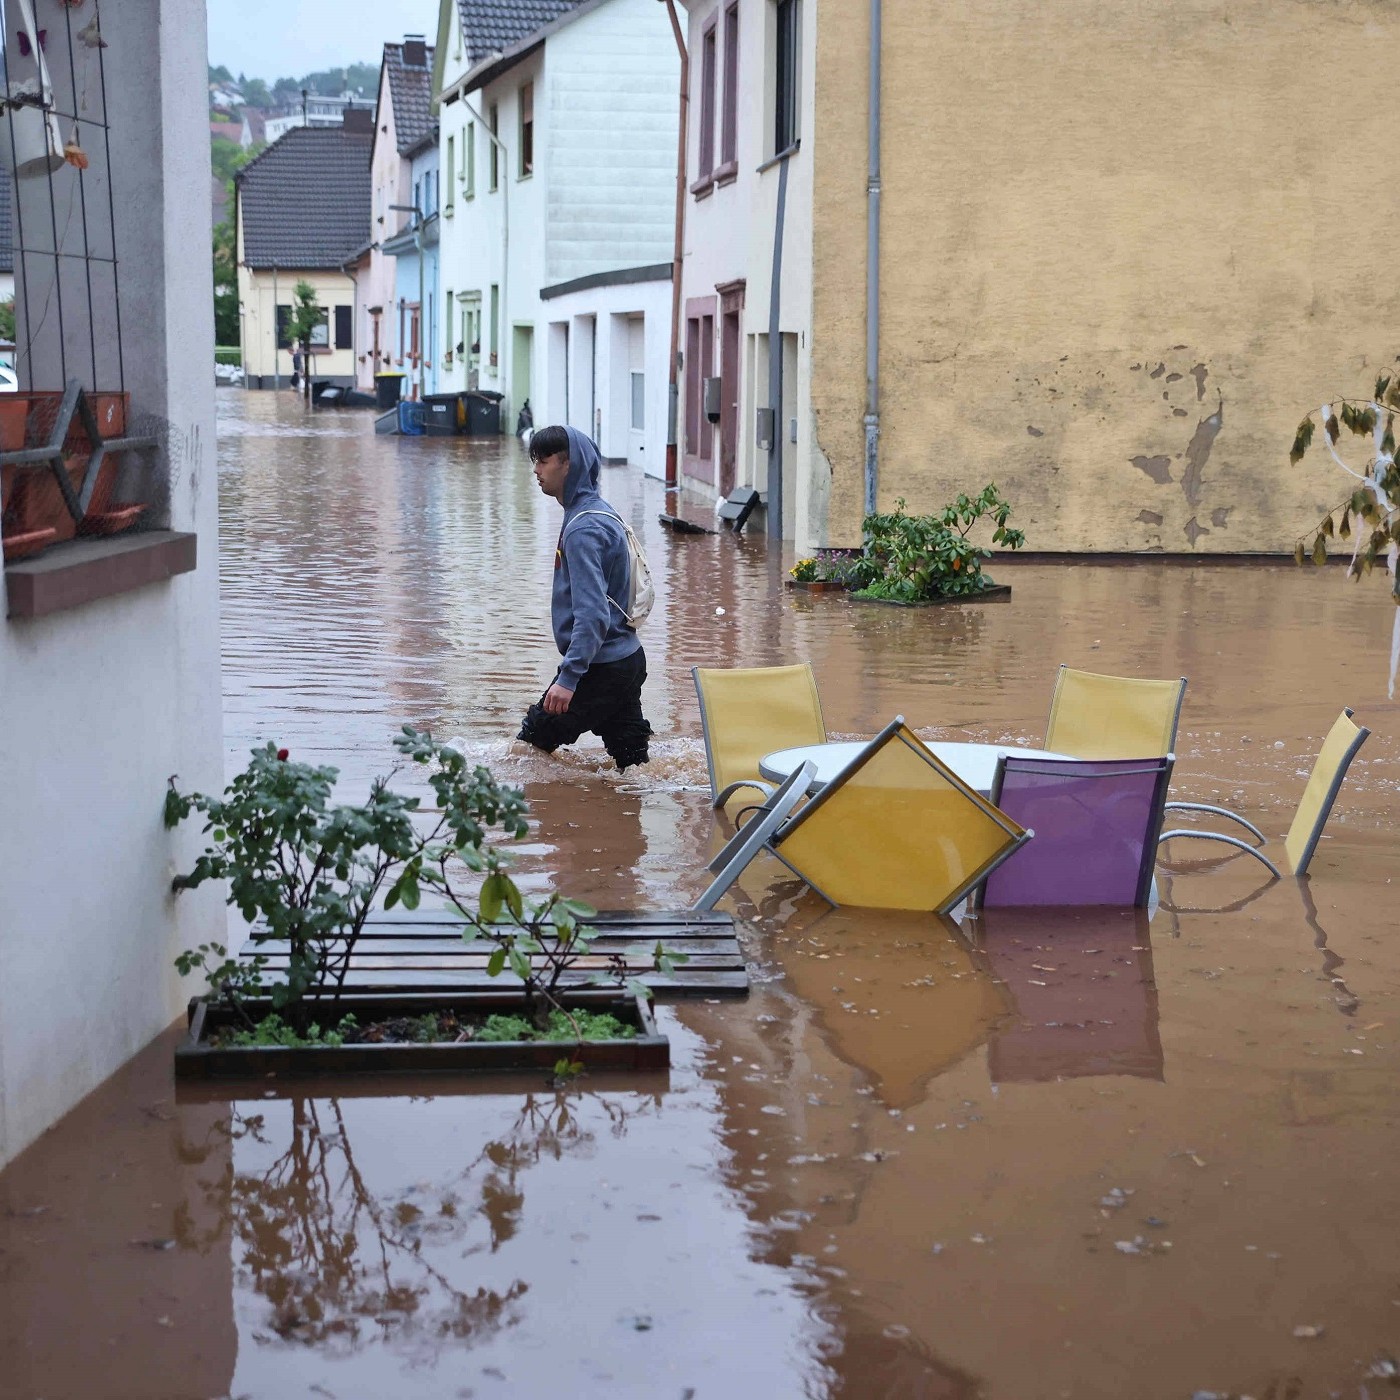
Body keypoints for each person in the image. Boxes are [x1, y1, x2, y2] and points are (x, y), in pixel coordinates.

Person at [518, 424, 652, 770]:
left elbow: (592, 615)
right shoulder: (600, 511)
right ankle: (624, 822)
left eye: (543, 461)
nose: (536, 470)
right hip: (626, 658)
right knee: (634, 768)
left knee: (529, 750)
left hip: (601, 667)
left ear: (569, 463)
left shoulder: (583, 528)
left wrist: (568, 678)